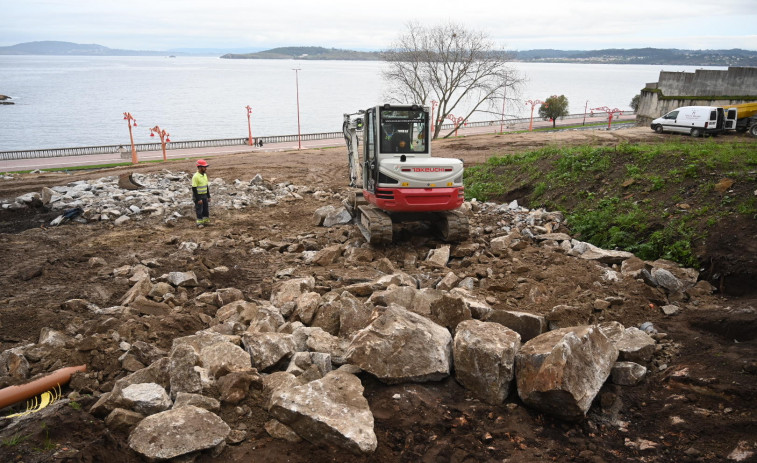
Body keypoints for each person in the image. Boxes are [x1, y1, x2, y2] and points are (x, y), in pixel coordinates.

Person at [191, 159, 211, 226]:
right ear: (199, 167)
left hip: (204, 195)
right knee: (199, 209)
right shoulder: (196, 176)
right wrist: (198, 199)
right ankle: (199, 223)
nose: (206, 168)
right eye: (204, 167)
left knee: (205, 209)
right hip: (198, 196)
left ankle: (206, 221)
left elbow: (206, 185)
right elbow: (194, 188)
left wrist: (208, 196)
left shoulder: (204, 175)